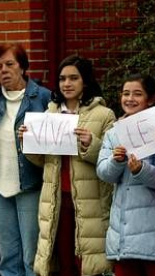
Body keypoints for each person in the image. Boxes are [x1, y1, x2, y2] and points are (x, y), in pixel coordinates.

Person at [18, 55, 116, 276]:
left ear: (86, 81)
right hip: (55, 200)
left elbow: (113, 159)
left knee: (88, 263)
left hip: (88, 200)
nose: (67, 84)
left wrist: (92, 143)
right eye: (62, 79)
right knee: (62, 262)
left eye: (74, 78)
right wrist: (28, 142)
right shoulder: (50, 112)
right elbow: (41, 160)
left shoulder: (104, 115)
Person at [96, 73, 155, 276]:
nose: (130, 99)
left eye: (137, 94)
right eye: (126, 93)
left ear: (151, 98)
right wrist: (116, 161)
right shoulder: (113, 133)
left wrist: (140, 169)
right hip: (122, 236)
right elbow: (103, 173)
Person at [0, 43, 51, 276]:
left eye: (10, 64)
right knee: (7, 257)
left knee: (31, 255)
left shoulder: (43, 97)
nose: (4, 70)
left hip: (31, 184)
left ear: (23, 67)